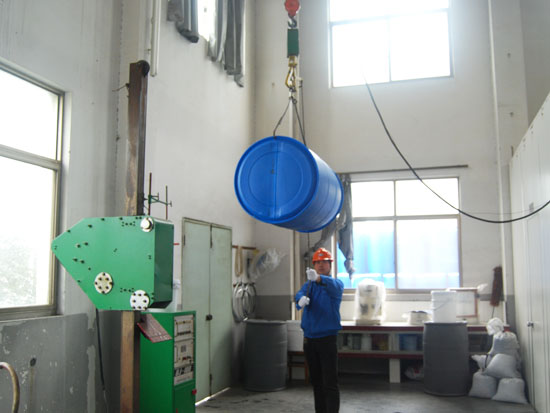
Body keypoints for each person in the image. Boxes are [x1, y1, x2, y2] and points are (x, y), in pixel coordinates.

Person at [295, 247, 344, 413]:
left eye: (324, 262)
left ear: (330, 265)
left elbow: (334, 286)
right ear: (314, 265)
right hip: (309, 340)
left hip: (327, 340)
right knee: (316, 382)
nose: (321, 265)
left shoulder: (335, 285)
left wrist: (318, 278)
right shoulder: (308, 285)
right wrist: (300, 299)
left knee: (329, 382)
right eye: (317, 262)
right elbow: (299, 294)